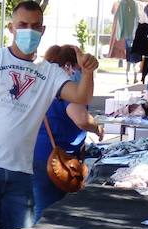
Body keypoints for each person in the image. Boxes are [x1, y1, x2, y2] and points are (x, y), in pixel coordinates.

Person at [0, 0, 98, 229]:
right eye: (22, 24)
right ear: (11, 27)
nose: (29, 31)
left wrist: (87, 72)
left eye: (35, 26)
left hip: (22, 172)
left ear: (42, 31)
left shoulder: (50, 72)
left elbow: (81, 95)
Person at [32, 45, 103, 220]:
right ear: (70, 66)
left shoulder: (45, 83)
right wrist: (97, 127)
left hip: (39, 154)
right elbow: (81, 118)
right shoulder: (66, 88)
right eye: (80, 68)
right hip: (53, 159)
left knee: (40, 210)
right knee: (46, 214)